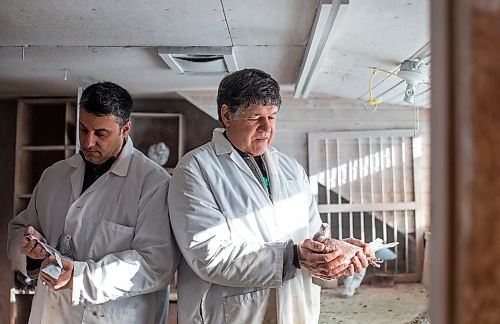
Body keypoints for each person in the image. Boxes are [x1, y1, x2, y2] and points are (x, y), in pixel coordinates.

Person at [168, 68, 374, 323]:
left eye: (272, 117)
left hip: (295, 306)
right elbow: (208, 255)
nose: (266, 128)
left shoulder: (291, 168)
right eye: (256, 117)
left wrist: (331, 254)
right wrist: (294, 256)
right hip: (233, 312)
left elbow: (310, 236)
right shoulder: (195, 169)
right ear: (226, 115)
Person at [7, 82, 180, 324]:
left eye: (101, 134)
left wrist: (79, 277)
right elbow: (18, 230)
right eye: (83, 129)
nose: (88, 142)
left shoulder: (153, 183)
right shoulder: (54, 175)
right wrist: (31, 254)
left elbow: (155, 264)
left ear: (125, 129)